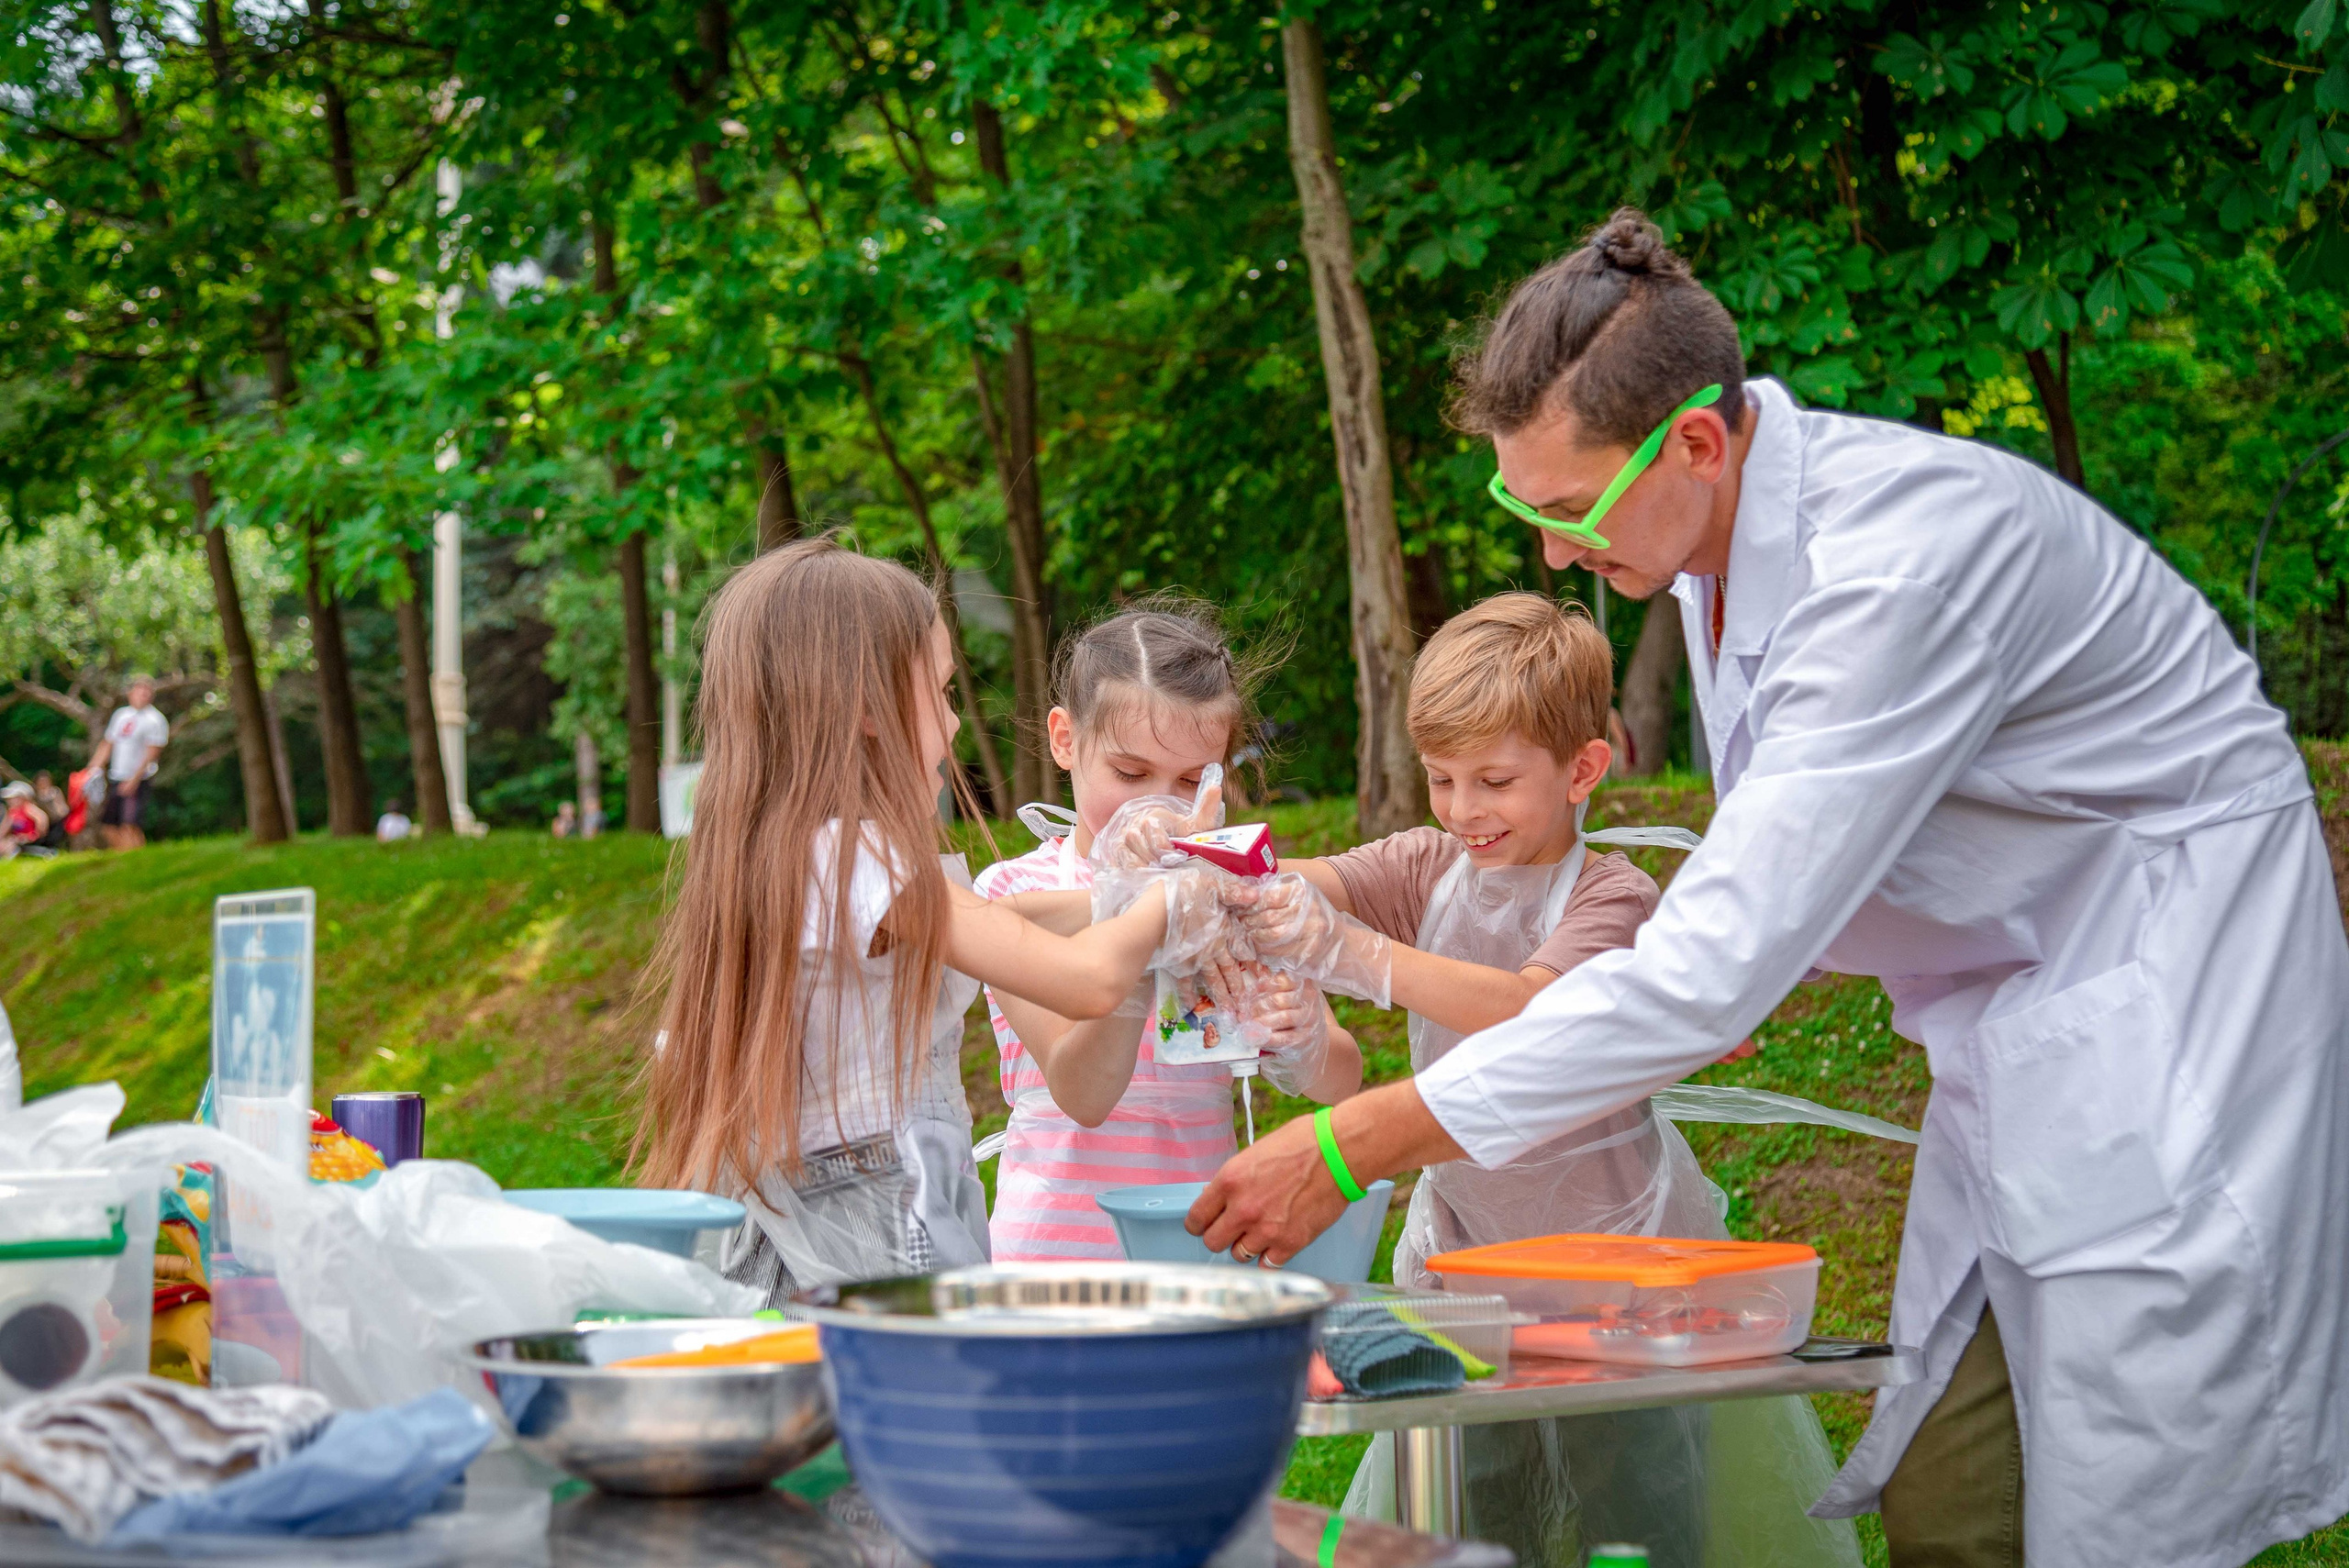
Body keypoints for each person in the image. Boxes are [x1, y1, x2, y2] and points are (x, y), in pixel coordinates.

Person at [1191, 210, 2349, 1568]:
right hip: (2017, 1026)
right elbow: (1778, 882)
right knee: (1950, 1494)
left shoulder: (1900, 567)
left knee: (2121, 1516)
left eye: (1566, 511)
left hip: (2172, 1024)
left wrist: (1352, 1142)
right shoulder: (1711, 550)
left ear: (1692, 441)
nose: (1554, 554)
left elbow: (1711, 963)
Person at [1230, 595, 1850, 1566]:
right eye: (1439, 778)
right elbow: (1291, 880)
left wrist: (1363, 959)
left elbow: (1535, 1013)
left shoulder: (1613, 895)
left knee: (1635, 1498)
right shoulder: (1424, 865)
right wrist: (1193, 876)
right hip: (1463, 1260)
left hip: (1620, 1265)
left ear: (1582, 769)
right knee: (1475, 1496)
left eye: (1493, 780)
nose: (1461, 808)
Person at [633, 538, 1235, 1303]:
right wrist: (1173, 886)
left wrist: (1196, 881)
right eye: (942, 692)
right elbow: (1087, 981)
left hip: (816, 1232)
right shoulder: (858, 859)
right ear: (865, 704)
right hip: (870, 1244)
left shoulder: (794, 851)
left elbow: (1010, 917)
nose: (954, 725)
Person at [975, 602, 1361, 1262]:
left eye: (1190, 780)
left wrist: (1303, 1034)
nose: (1157, 803)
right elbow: (1084, 1093)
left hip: (1198, 1248)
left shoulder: (1230, 889)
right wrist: (1140, 913)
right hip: (1058, 1257)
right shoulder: (1011, 896)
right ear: (1066, 740)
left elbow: (1341, 1079)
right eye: (1130, 774)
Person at [90, 676, 168, 850]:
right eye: (140, 690)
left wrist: (134, 779)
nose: (143, 695)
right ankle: (122, 858)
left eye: (147, 691)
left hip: (138, 779)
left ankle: (137, 860)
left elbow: (152, 754)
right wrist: (91, 769)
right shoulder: (121, 715)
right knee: (109, 825)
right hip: (117, 776)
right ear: (130, 693)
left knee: (130, 824)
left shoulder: (155, 719)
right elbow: (107, 744)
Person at [2, 783, 49, 858]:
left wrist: (33, 836)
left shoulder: (29, 809)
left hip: (29, 840)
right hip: (17, 839)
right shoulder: (12, 812)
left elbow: (42, 822)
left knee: (10, 843)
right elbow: (4, 829)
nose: (9, 801)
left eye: (13, 798)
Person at [30, 773, 68, 851]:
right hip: (43, 820)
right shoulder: (35, 794)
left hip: (56, 820)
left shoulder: (55, 791)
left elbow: (61, 807)